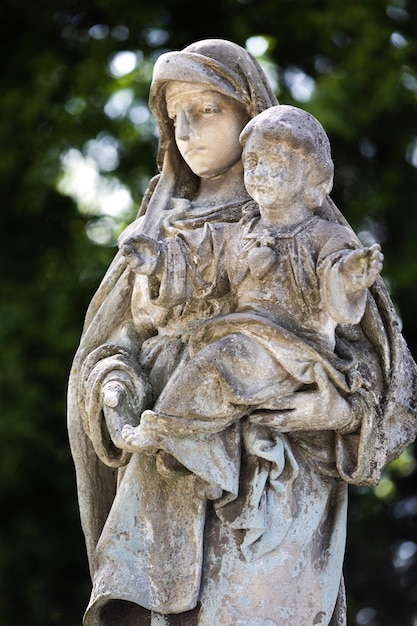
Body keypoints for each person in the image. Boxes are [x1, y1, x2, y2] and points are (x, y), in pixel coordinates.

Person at [67, 41, 417, 626]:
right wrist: (113, 384)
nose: (186, 130)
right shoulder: (155, 230)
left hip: (280, 480)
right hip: (165, 474)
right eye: (175, 116)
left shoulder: (308, 229)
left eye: (207, 110)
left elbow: (387, 382)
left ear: (249, 114)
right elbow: (109, 346)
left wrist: (334, 408)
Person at [120, 105, 384, 453]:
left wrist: (350, 277)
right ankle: (185, 436)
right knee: (213, 364)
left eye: (272, 162)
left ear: (309, 172)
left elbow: (337, 281)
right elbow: (200, 258)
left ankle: (163, 429)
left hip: (297, 353)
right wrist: (157, 260)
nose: (258, 172)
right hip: (248, 337)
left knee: (217, 364)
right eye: (252, 161)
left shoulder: (326, 236)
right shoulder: (240, 232)